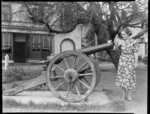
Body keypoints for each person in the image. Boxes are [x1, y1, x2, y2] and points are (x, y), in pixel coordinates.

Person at [113, 27, 139, 101]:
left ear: (128, 34)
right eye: (122, 34)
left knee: (129, 78)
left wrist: (136, 63)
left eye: (124, 34)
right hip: (122, 61)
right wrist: (115, 42)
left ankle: (129, 95)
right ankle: (123, 95)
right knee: (123, 78)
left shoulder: (134, 41)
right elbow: (116, 49)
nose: (123, 35)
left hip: (130, 61)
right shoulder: (121, 41)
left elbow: (136, 53)